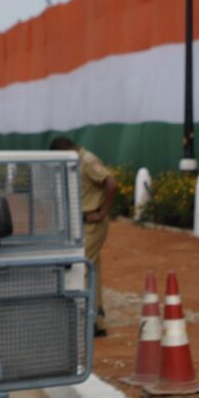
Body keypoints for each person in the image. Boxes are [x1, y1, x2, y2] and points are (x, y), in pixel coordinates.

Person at [51, 138, 118, 336]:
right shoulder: (77, 161)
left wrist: (102, 211)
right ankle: (96, 320)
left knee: (80, 267)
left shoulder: (86, 160)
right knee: (92, 269)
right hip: (83, 222)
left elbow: (111, 184)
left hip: (92, 222)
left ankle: (79, 320)